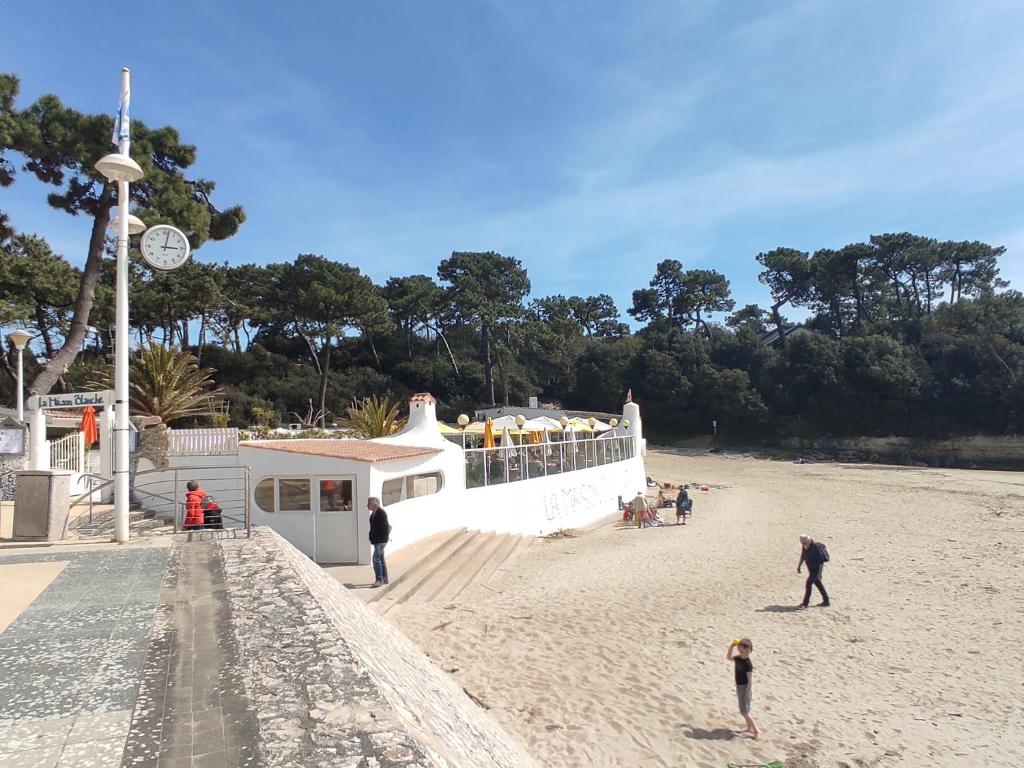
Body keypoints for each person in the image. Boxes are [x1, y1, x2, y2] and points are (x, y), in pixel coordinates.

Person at [726, 637, 760, 740]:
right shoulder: (737, 658)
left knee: (744, 711)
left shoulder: (748, 664)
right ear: (738, 650)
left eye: (746, 652)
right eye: (741, 651)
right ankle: (749, 728)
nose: (744, 653)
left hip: (745, 688)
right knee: (746, 710)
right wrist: (732, 646)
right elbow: (728, 657)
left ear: (750, 651)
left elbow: (750, 680)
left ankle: (756, 730)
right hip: (739, 687)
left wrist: (747, 693)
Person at [797, 533, 830, 608]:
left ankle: (805, 603)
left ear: (808, 540)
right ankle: (826, 601)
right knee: (818, 583)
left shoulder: (816, 548)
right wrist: (799, 566)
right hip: (811, 569)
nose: (803, 544)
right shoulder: (805, 546)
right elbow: (803, 556)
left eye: (804, 543)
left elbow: (821, 562)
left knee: (808, 584)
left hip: (816, 569)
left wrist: (818, 573)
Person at [368, 497, 391, 586]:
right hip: (377, 540)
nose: (368, 505)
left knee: (376, 559)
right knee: (381, 559)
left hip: (380, 541)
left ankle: (379, 580)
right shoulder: (373, 514)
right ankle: (385, 578)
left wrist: (380, 539)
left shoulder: (381, 513)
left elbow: (384, 528)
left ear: (376, 503)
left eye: (369, 503)